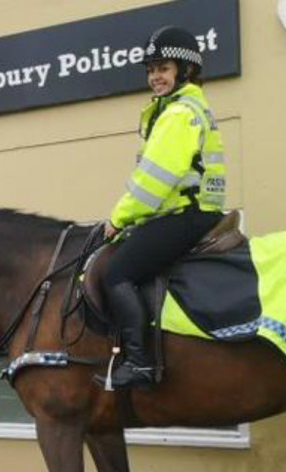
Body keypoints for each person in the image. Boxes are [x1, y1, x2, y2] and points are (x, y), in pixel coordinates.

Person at [100, 26, 226, 388]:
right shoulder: (178, 108)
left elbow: (155, 181)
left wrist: (118, 218)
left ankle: (140, 362)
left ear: (185, 70)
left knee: (116, 274)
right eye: (151, 69)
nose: (155, 76)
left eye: (164, 68)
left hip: (185, 214)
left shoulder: (177, 114)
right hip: (191, 212)